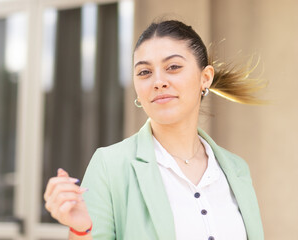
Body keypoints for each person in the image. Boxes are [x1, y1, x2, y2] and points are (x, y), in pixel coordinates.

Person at [44, 19, 264, 240]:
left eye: (173, 67)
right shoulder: (110, 166)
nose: (158, 81)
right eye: (144, 72)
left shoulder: (236, 169)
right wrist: (80, 230)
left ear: (205, 78)